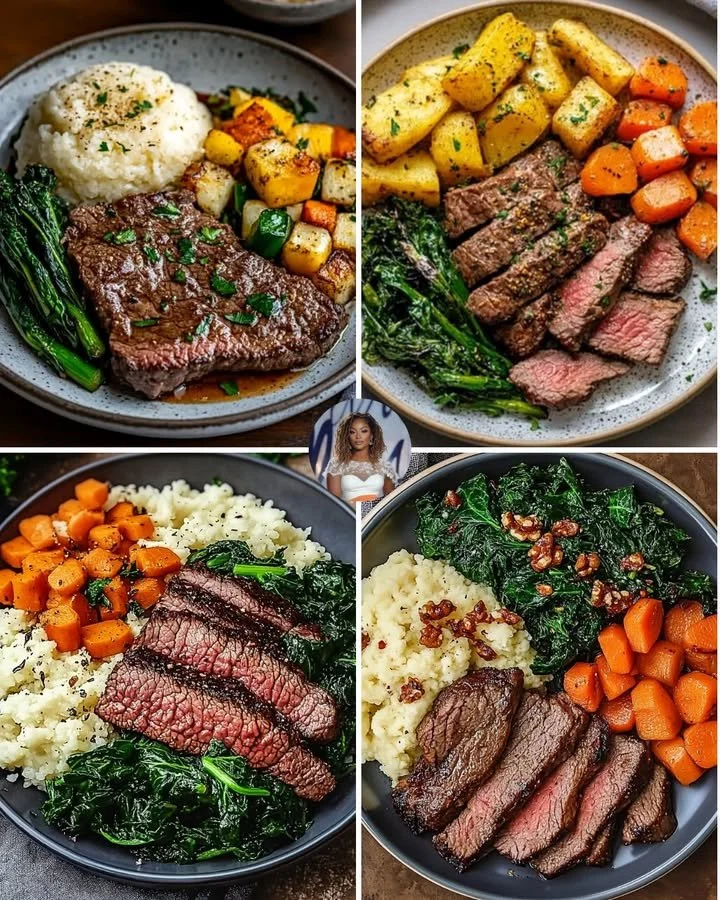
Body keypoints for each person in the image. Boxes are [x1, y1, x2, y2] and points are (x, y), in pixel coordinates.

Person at [326, 413, 396, 505]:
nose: (358, 436)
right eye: (352, 432)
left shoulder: (385, 467)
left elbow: (391, 501)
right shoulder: (336, 465)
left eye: (363, 431)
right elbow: (334, 503)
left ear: (371, 436)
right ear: (347, 437)